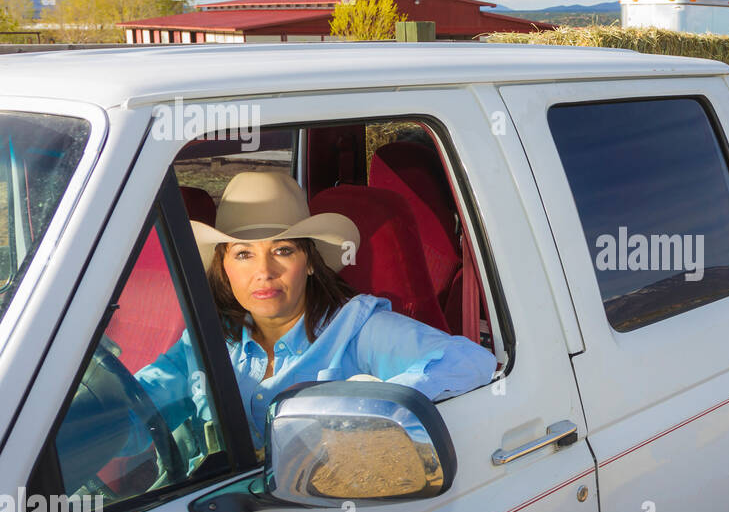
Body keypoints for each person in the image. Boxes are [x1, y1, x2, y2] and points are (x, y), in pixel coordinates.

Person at [133, 171, 497, 465]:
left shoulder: (355, 329)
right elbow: (136, 405)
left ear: (309, 263)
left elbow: (470, 360)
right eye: (244, 254)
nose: (264, 272)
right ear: (224, 265)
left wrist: (358, 411)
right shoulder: (209, 340)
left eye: (283, 250)